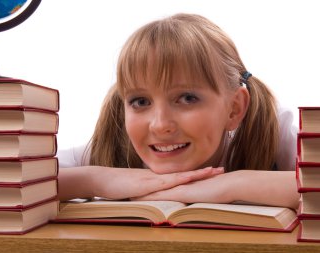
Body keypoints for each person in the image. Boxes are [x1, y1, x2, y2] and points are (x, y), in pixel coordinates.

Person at [58, 13, 300, 209]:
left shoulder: (273, 129)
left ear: (234, 109)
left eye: (187, 98)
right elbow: (21, 180)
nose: (160, 125)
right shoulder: (114, 144)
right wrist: (94, 180)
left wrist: (233, 184)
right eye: (140, 102)